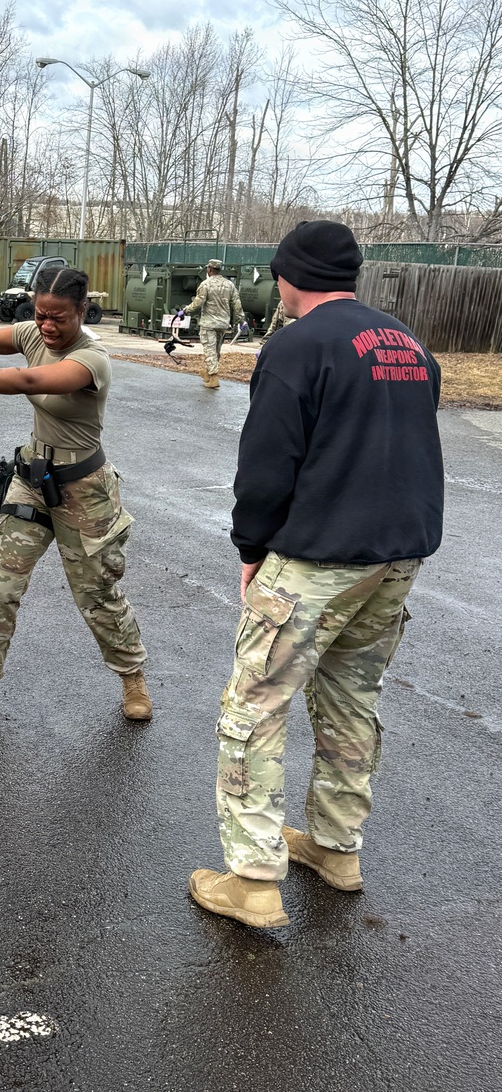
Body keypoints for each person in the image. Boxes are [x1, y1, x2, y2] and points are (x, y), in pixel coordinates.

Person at [188, 221, 443, 929]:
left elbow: (267, 463)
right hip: (396, 559)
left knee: (255, 705)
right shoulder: (410, 344)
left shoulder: (295, 345)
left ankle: (254, 878)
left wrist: (252, 548)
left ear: (289, 276)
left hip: (318, 560)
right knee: (352, 699)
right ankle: (336, 848)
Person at [0, 266, 151, 724]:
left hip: (84, 489)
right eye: (42, 314)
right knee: (0, 586)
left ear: (82, 311)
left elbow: (29, 382)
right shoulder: (32, 333)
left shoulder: (92, 359)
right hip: (32, 477)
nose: (47, 325)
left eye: (59, 317)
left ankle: (132, 677)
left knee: (96, 594)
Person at [181, 259, 244, 388]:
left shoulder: (205, 285)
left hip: (209, 323)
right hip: (223, 323)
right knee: (215, 351)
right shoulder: (229, 285)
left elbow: (198, 303)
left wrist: (185, 310)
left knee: (210, 350)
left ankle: (214, 378)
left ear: (209, 270)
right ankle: (208, 374)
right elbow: (237, 305)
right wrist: (241, 320)